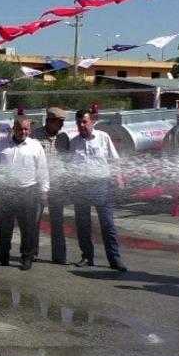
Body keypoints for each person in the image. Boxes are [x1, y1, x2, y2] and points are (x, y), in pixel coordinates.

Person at [69, 109, 127, 272]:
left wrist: (118, 177)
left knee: (107, 224)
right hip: (81, 188)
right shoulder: (74, 143)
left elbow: (114, 160)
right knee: (83, 225)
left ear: (92, 122)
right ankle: (87, 257)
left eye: (84, 122)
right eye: (78, 122)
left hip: (102, 187)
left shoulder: (103, 138)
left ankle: (114, 259)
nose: (81, 125)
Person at [0, 116, 50, 271]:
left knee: (28, 227)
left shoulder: (35, 146)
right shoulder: (2, 146)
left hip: (28, 191)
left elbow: (42, 169)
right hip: (6, 191)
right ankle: (2, 256)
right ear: (14, 129)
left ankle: (26, 258)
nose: (23, 132)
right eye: (20, 129)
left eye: (26, 129)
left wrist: (44, 190)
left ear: (29, 129)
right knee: (4, 226)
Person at [31, 107, 72, 265]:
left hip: (57, 184)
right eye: (59, 122)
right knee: (34, 220)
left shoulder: (63, 138)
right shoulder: (35, 135)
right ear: (49, 121)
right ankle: (32, 253)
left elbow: (67, 161)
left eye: (62, 122)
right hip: (39, 184)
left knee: (58, 221)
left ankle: (59, 256)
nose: (61, 125)